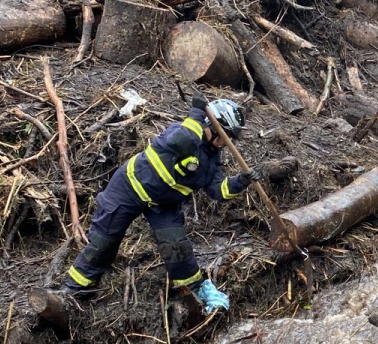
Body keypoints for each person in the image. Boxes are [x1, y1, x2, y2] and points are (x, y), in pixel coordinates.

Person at [64, 96, 258, 313]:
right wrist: (196, 115)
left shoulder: (212, 159)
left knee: (176, 247)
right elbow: (180, 142)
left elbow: (218, 191)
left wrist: (240, 181)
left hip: (165, 205)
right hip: (129, 188)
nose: (226, 141)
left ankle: (194, 291)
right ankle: (74, 293)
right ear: (212, 125)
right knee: (104, 243)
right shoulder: (183, 132)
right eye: (226, 135)